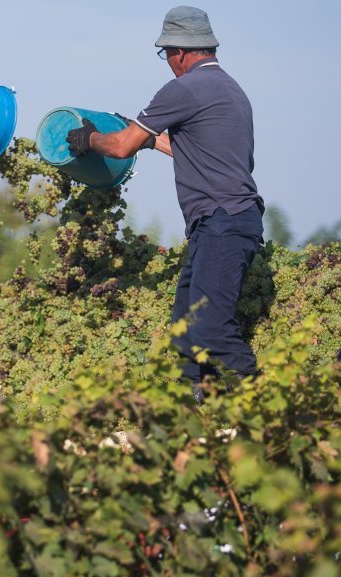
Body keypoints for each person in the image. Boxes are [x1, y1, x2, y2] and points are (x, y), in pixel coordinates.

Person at [66, 6, 264, 398]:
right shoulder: (231, 90)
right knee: (186, 331)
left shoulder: (184, 88)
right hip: (227, 221)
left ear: (180, 51)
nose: (167, 64)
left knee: (209, 328)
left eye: (166, 55)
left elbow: (120, 149)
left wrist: (89, 139)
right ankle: (195, 419)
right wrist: (146, 136)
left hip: (222, 221)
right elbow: (203, 153)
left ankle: (274, 410)